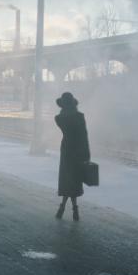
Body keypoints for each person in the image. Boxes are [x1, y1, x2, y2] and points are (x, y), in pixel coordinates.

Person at [54, 91, 90, 221]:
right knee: (74, 180)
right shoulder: (80, 117)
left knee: (66, 179)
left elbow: (63, 119)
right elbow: (84, 137)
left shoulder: (59, 118)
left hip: (66, 149)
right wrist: (87, 155)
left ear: (63, 106)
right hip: (78, 151)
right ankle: (75, 210)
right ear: (74, 104)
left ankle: (62, 207)